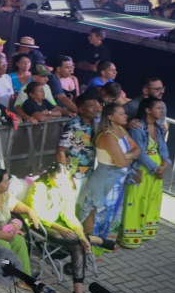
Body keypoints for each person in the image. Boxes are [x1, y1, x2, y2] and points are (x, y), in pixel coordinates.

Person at [25, 163, 102, 293]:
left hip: (59, 221)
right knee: (75, 240)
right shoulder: (39, 186)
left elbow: (69, 214)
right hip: (42, 223)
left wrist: (79, 233)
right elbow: (38, 214)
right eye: (57, 180)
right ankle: (94, 240)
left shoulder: (66, 186)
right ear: (49, 176)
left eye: (63, 180)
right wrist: (59, 228)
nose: (61, 183)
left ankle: (78, 292)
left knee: (78, 246)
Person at [78, 104, 140, 254]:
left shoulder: (120, 130)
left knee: (107, 215)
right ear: (111, 117)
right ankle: (89, 249)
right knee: (95, 213)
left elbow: (137, 148)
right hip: (105, 180)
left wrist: (128, 156)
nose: (126, 116)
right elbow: (121, 163)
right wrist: (128, 157)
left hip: (117, 181)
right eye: (122, 114)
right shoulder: (107, 135)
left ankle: (100, 246)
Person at [122, 97, 170, 248]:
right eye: (158, 108)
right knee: (136, 201)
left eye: (162, 108)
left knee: (150, 199)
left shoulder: (159, 128)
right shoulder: (137, 128)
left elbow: (163, 149)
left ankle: (142, 233)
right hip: (142, 169)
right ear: (148, 110)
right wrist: (157, 169)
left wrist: (165, 164)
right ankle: (128, 238)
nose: (162, 111)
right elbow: (139, 152)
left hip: (156, 170)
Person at [56, 93, 102, 201]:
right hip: (76, 175)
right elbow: (61, 152)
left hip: (91, 173)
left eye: (96, 105)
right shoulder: (74, 125)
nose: (95, 108)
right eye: (91, 106)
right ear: (81, 110)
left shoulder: (95, 123)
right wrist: (67, 177)